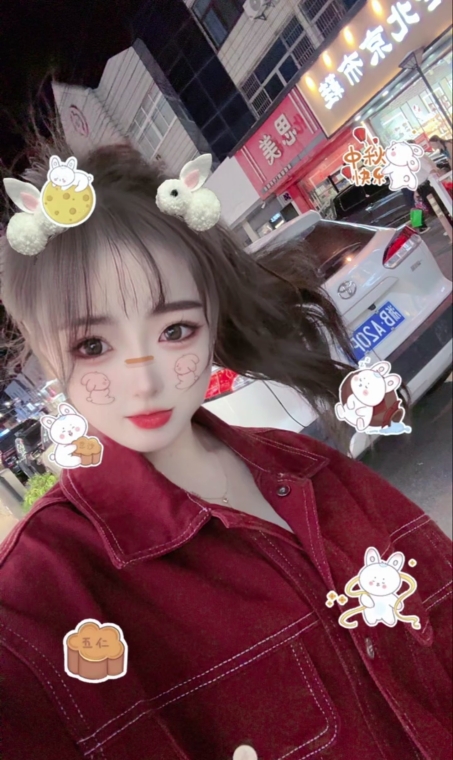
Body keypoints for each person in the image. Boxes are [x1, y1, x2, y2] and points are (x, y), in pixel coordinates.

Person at [0, 136, 451, 760]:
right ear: (44, 351)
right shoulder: (40, 602)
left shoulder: (314, 469)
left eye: (175, 330)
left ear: (211, 321)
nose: (145, 382)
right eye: (93, 346)